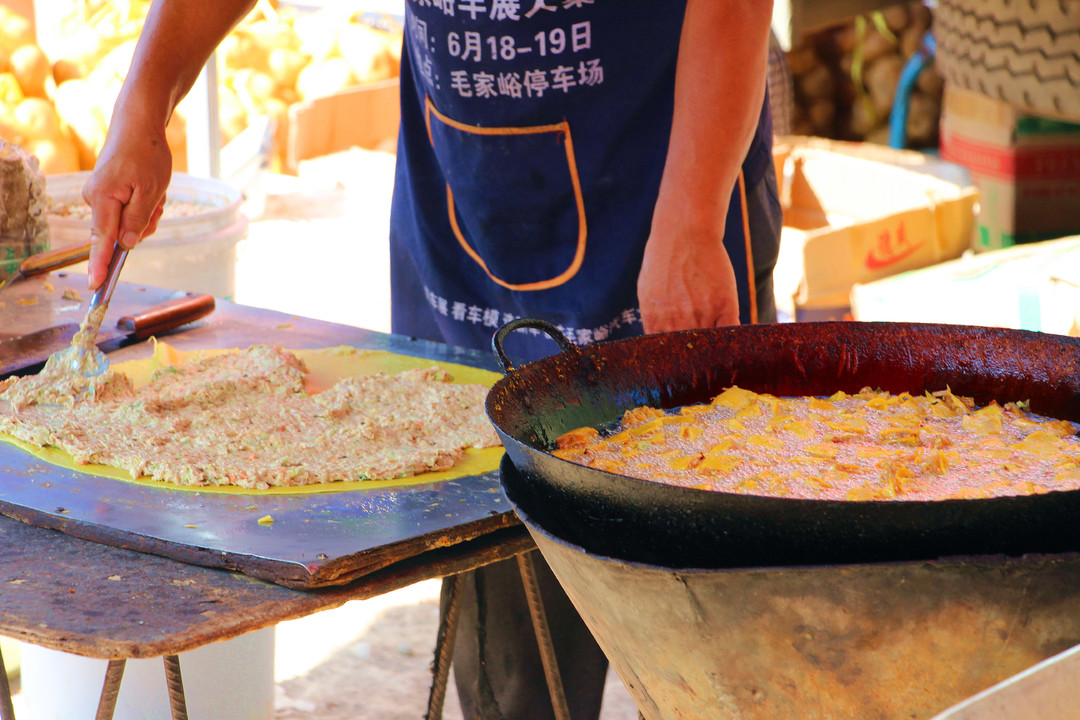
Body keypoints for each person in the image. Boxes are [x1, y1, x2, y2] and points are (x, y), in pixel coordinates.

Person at [84, 1, 781, 719]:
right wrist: (145, 104)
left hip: (668, 182)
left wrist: (693, 220)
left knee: (708, 644)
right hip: (474, 201)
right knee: (511, 646)